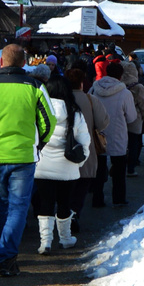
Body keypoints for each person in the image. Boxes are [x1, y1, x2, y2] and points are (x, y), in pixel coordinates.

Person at [0, 44, 57, 277]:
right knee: (18, 208)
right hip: (24, 156)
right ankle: (7, 258)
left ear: (1, 61)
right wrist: (39, 144)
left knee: (2, 206)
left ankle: (4, 252)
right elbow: (49, 121)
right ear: (24, 63)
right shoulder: (34, 86)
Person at [34, 75, 91, 253]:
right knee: (64, 203)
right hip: (67, 167)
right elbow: (84, 142)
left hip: (42, 165)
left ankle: (45, 242)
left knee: (45, 203)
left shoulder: (38, 111)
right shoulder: (75, 113)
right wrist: (79, 162)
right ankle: (65, 239)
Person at [90, 61, 143, 205]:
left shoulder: (94, 89)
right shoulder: (125, 93)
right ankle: (118, 198)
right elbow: (132, 117)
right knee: (119, 169)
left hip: (97, 134)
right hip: (118, 134)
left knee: (99, 168)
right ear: (121, 75)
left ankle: (97, 198)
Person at [65, 65, 108, 236]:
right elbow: (103, 122)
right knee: (82, 185)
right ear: (82, 82)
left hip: (63, 150)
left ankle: (64, 212)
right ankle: (74, 212)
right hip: (85, 149)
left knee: (65, 186)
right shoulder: (91, 100)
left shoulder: (60, 100)